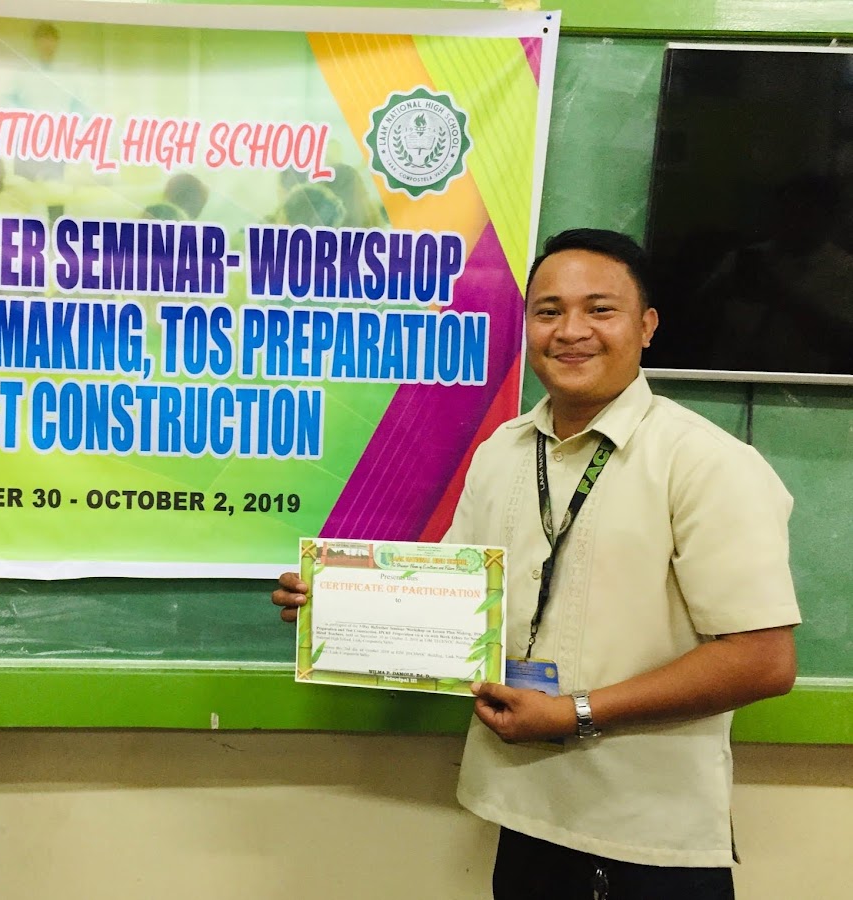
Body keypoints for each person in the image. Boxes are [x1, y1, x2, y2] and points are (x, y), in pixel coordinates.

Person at [272, 228, 801, 899]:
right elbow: (453, 602)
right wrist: (336, 604)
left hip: (643, 833)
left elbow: (762, 659)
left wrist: (575, 712)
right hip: (521, 814)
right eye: (549, 311)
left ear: (646, 326)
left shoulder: (705, 462)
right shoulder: (503, 450)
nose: (571, 331)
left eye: (600, 310)